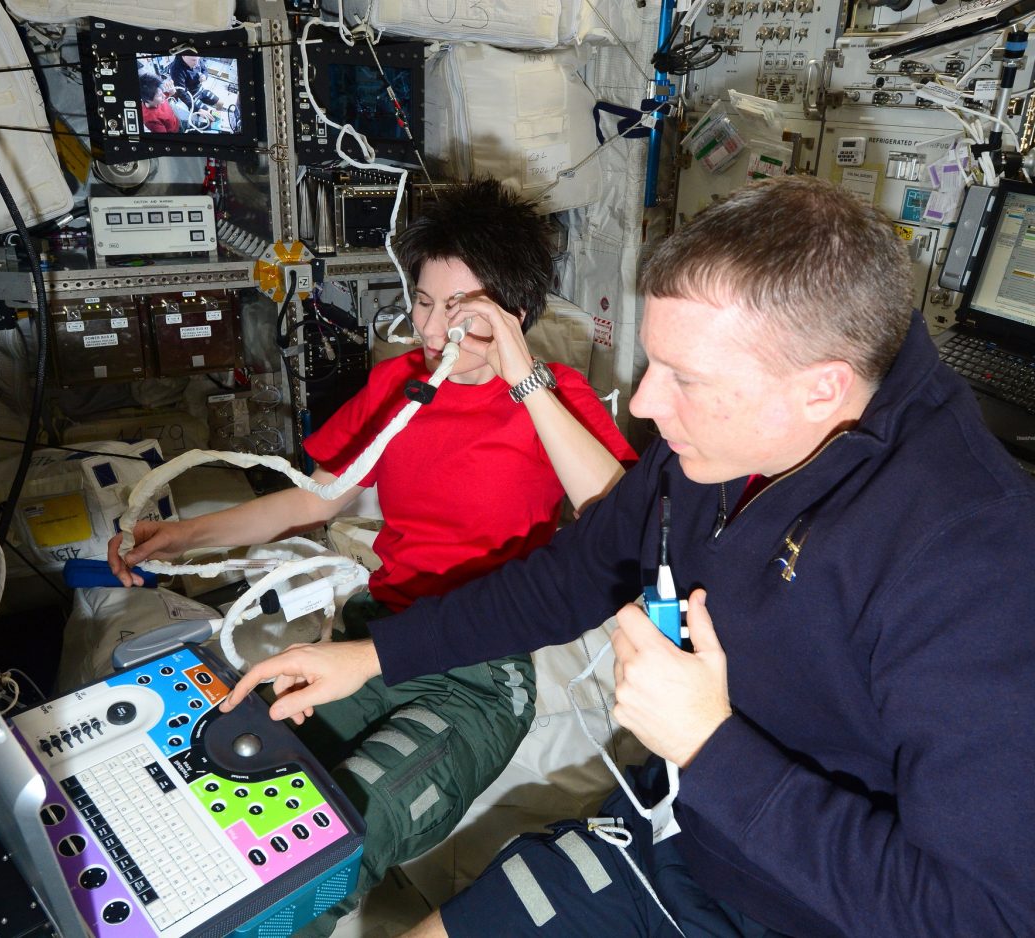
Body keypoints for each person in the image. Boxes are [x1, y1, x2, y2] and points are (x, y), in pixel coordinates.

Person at [224, 175, 1035, 937]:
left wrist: (710, 747)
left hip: (804, 907)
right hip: (678, 836)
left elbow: (976, 914)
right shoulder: (712, 453)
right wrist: (374, 656)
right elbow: (573, 574)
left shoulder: (976, 564)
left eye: (683, 378)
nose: (645, 403)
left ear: (820, 387)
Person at [109, 178, 637, 934]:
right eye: (425, 302)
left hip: (479, 672)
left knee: (331, 839)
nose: (434, 328)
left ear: (515, 316)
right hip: (372, 636)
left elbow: (611, 513)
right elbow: (317, 499)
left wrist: (523, 379)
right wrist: (183, 536)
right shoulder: (400, 386)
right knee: (239, 772)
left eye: (465, 309)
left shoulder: (555, 397)